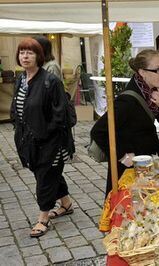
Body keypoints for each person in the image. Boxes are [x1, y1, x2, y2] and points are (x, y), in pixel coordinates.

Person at [10, 38, 74, 237]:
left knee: (45, 178)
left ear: (39, 56)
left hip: (50, 141)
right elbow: (16, 108)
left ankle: (43, 218)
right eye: (22, 53)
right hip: (28, 141)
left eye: (30, 53)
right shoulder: (21, 79)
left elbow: (60, 113)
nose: (25, 56)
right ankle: (66, 203)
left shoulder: (50, 80)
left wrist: (46, 132)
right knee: (46, 172)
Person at [90, 49, 159, 197]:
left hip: (148, 162)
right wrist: (123, 157)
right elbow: (98, 131)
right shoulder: (127, 101)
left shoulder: (152, 89)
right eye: (157, 69)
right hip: (130, 169)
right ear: (142, 72)